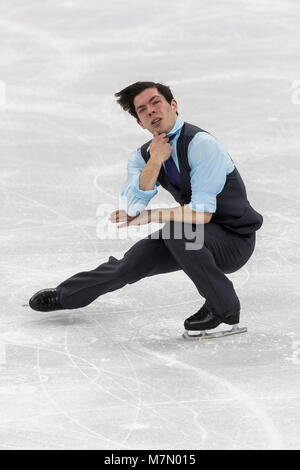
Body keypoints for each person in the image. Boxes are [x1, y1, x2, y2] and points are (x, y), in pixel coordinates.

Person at [29, 81, 263, 338]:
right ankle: (67, 295)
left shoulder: (201, 144)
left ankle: (224, 307)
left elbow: (201, 214)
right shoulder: (142, 156)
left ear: (173, 105)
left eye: (155, 102)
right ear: (140, 123)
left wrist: (151, 215)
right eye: (142, 110)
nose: (150, 111)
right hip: (193, 237)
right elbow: (131, 208)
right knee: (130, 264)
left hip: (233, 240)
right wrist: (155, 161)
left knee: (176, 230)